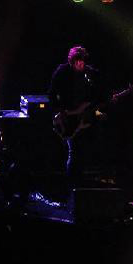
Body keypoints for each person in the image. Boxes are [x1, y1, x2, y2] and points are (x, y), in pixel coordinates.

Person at [49, 46, 107, 188]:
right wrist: (61, 112)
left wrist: (97, 107)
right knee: (73, 152)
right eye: (76, 62)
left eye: (82, 61)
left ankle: (85, 186)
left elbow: (100, 95)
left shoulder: (91, 74)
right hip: (68, 118)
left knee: (87, 151)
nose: (79, 64)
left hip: (86, 118)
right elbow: (51, 94)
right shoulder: (62, 72)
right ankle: (72, 187)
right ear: (71, 61)